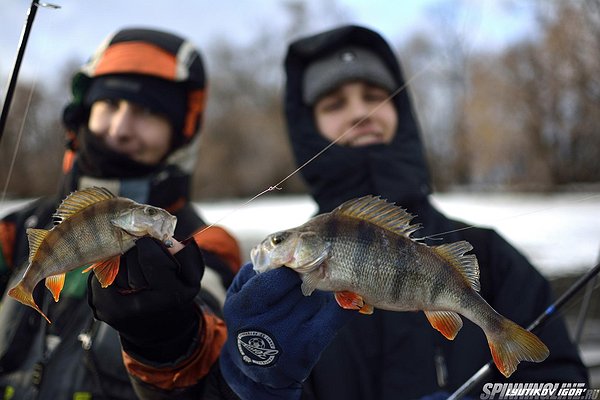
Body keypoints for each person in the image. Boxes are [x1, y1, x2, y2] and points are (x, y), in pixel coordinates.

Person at [88, 25, 591, 400]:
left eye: (374, 96)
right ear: (308, 126)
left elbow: (564, 388)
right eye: (334, 101)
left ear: (403, 112)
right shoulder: (283, 293)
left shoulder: (493, 257)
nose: (359, 112)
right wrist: (248, 379)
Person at [0, 28, 242, 399]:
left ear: (179, 134)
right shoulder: (17, 229)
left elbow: (219, 349)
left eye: (146, 112)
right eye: (110, 105)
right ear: (84, 114)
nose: (121, 128)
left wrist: (172, 338)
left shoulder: (207, 242)